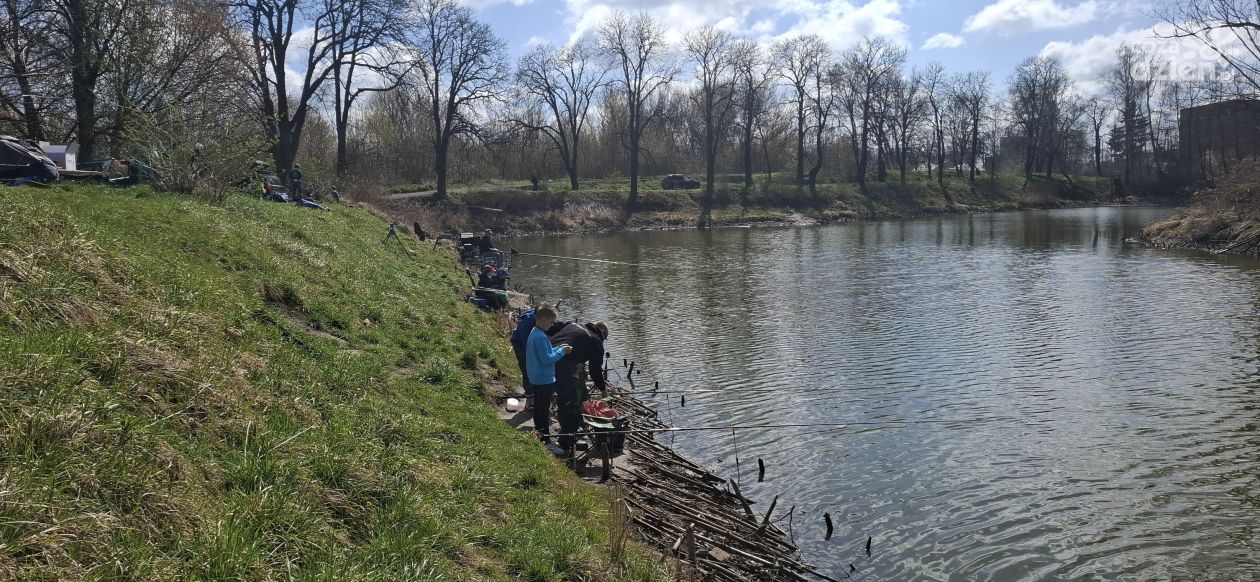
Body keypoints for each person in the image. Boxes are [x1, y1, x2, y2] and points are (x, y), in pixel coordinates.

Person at [549, 320, 609, 455]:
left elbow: (553, 328)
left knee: (569, 399)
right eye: (604, 338)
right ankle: (565, 444)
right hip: (559, 366)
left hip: (544, 358)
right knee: (572, 405)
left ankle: (564, 435)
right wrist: (603, 389)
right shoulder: (596, 341)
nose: (603, 340)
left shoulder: (573, 324)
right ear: (602, 332)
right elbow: (595, 370)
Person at [526, 304, 571, 454]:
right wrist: (563, 352)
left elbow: (548, 352)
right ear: (544, 319)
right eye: (551, 321)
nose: (552, 325)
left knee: (538, 407)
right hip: (544, 379)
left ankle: (538, 434)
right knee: (543, 410)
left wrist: (559, 348)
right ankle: (545, 441)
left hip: (535, 376)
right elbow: (547, 359)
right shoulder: (541, 337)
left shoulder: (534, 332)